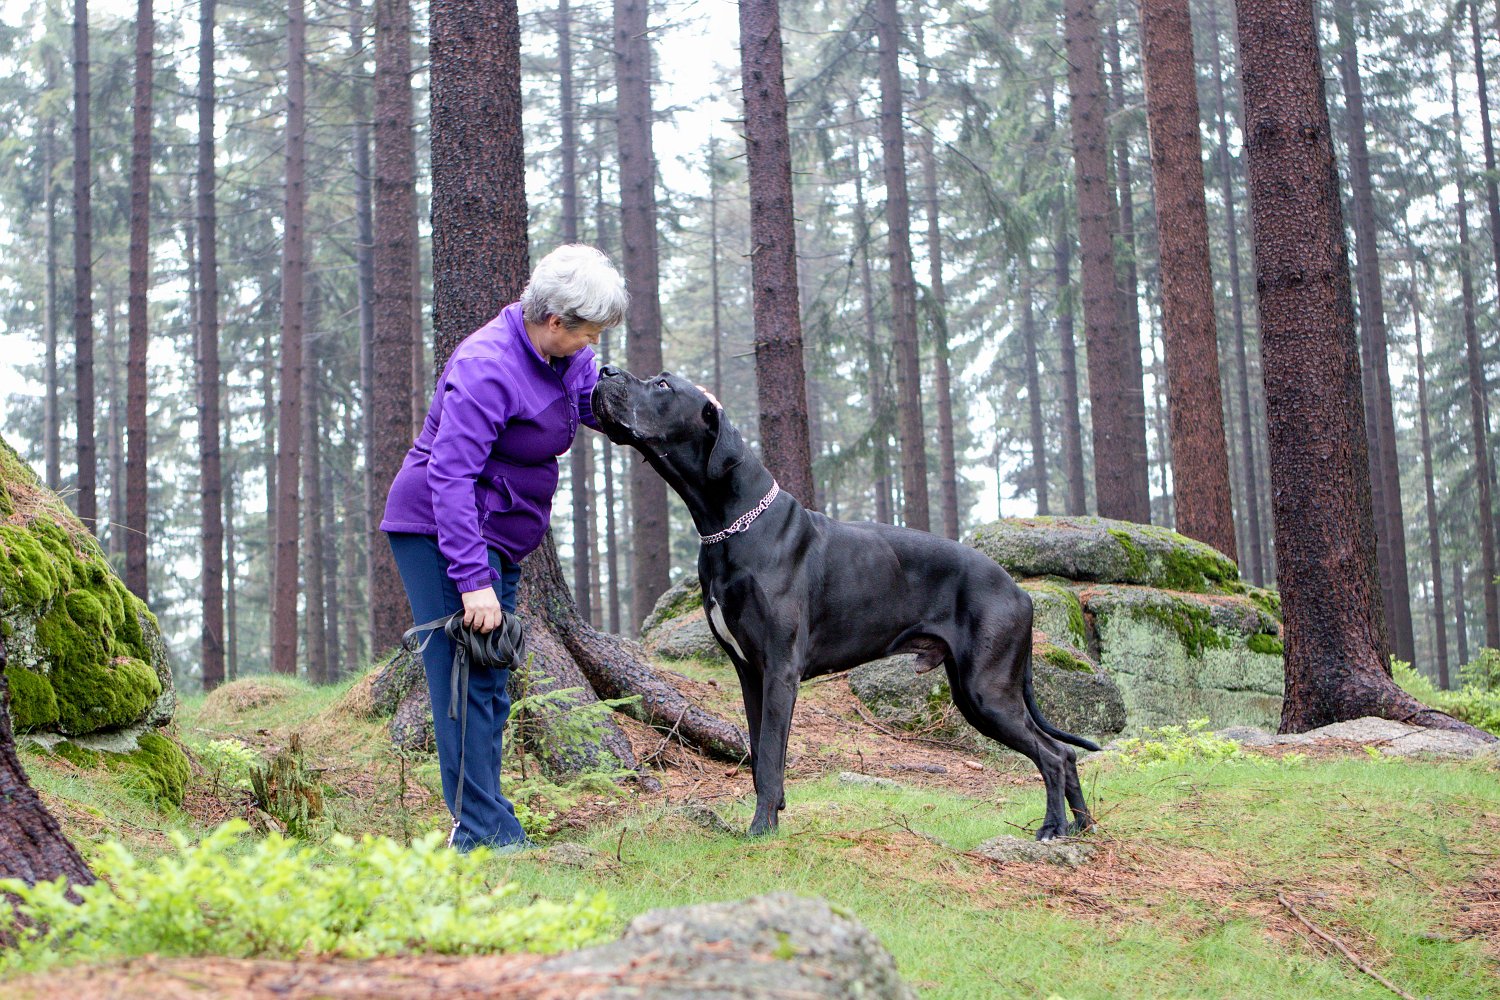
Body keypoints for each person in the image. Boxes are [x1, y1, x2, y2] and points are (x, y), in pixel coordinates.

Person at [380, 244, 627, 851]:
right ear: (553, 320)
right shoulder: (487, 366)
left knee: (488, 680)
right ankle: (482, 837)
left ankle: (489, 824)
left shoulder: (562, 356)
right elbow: (449, 477)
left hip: (497, 536)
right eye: (587, 331)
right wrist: (472, 581)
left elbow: (595, 396)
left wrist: (681, 408)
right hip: (442, 533)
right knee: (464, 683)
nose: (591, 344)